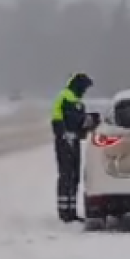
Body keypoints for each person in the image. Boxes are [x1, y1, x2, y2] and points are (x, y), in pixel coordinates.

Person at [50, 72, 95, 222]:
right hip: (64, 141)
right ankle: (64, 211)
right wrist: (63, 134)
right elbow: (56, 116)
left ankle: (72, 210)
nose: (85, 91)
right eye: (84, 88)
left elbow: (80, 124)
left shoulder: (78, 102)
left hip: (74, 141)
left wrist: (89, 123)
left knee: (74, 176)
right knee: (66, 175)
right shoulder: (64, 96)